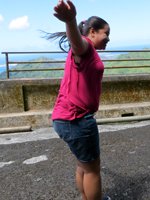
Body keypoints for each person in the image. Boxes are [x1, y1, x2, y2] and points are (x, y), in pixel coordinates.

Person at [50, 0, 111, 200]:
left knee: (83, 164)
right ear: (92, 32)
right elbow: (78, 42)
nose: (108, 39)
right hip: (76, 119)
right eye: (106, 33)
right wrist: (70, 21)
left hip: (64, 118)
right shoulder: (85, 49)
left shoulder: (84, 53)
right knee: (93, 169)